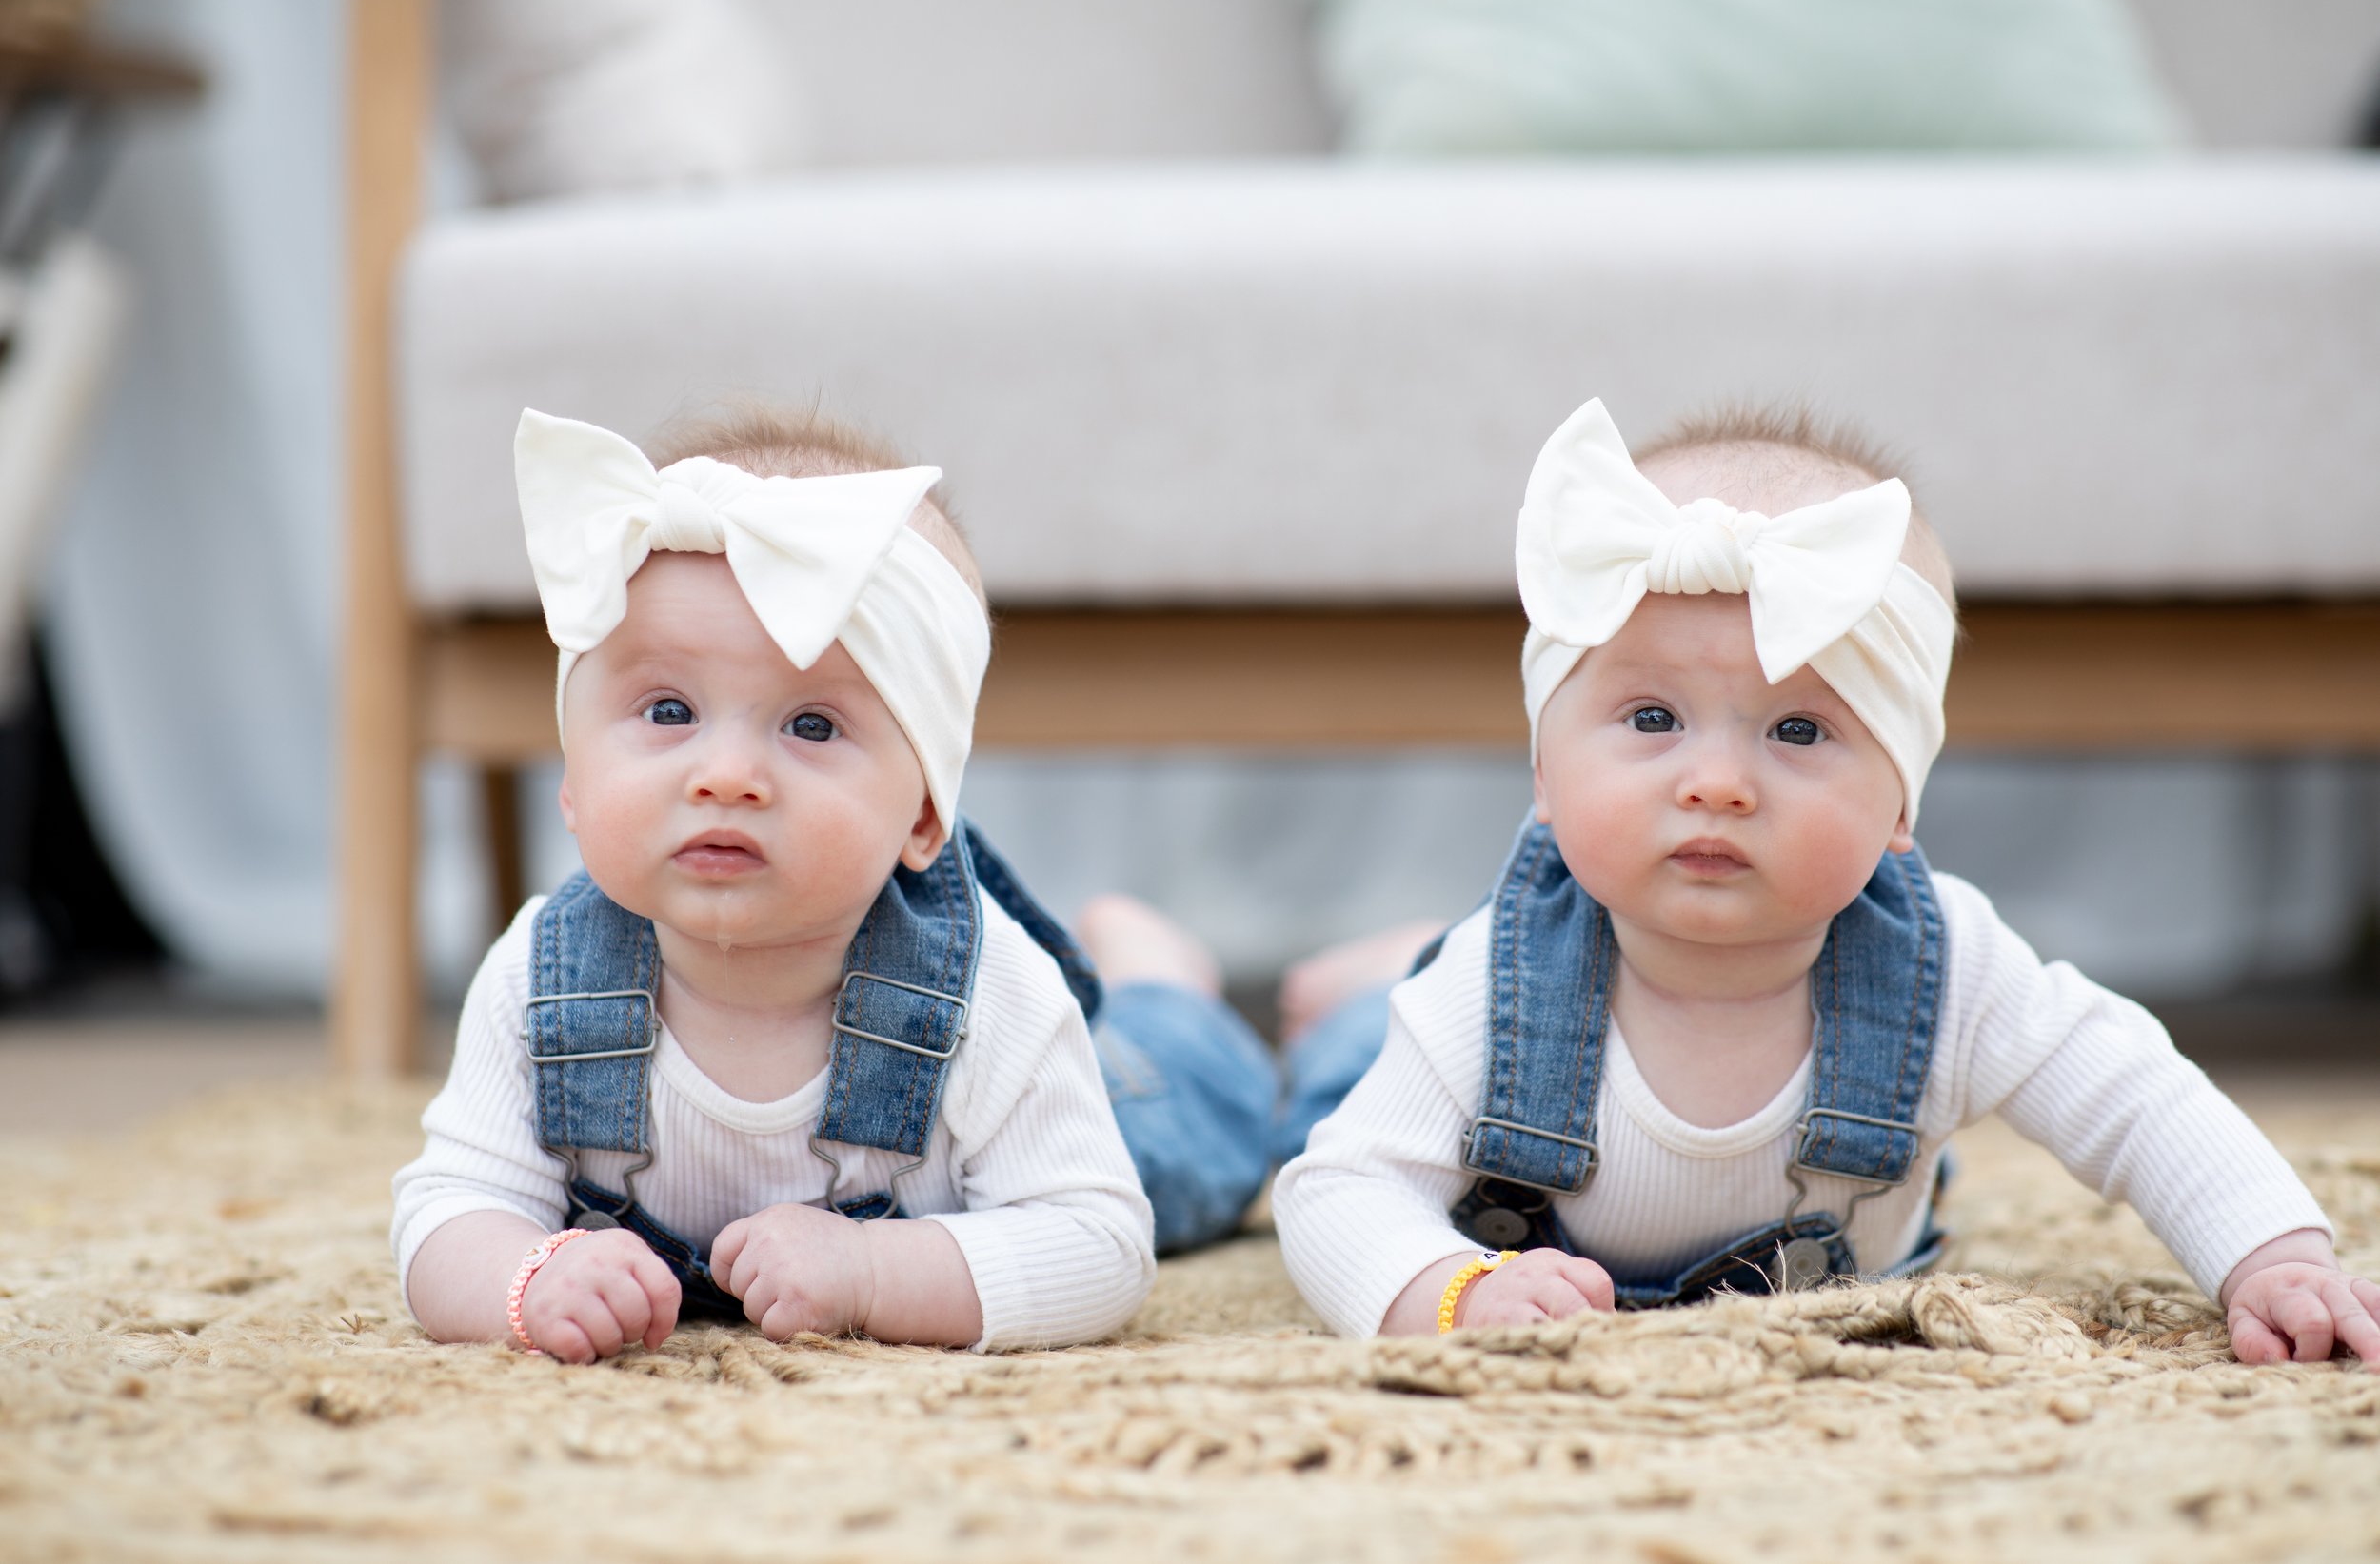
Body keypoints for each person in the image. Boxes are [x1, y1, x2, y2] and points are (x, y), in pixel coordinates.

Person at [1272, 397, 2380, 1366]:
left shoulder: (1949, 966)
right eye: (1650, 717)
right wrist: (1452, 1293)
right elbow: (1337, 1191)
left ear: (1902, 802)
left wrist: (2273, 1258)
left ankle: (1380, 966)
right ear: (1542, 778)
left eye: (1798, 728)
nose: (1716, 782)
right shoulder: (1491, 986)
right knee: (1317, 1090)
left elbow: (2141, 1100)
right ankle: (1372, 982)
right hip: (1439, 1048)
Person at [391, 405, 1274, 1361]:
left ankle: (1162, 982)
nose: (725, 772)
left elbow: (1098, 1245)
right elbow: (450, 1206)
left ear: (924, 816)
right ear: (571, 777)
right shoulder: (537, 976)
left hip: (1096, 1111)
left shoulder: (993, 997)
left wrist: (868, 1270)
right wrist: (525, 1273)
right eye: (668, 709)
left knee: (1191, 1117)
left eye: (811, 725)